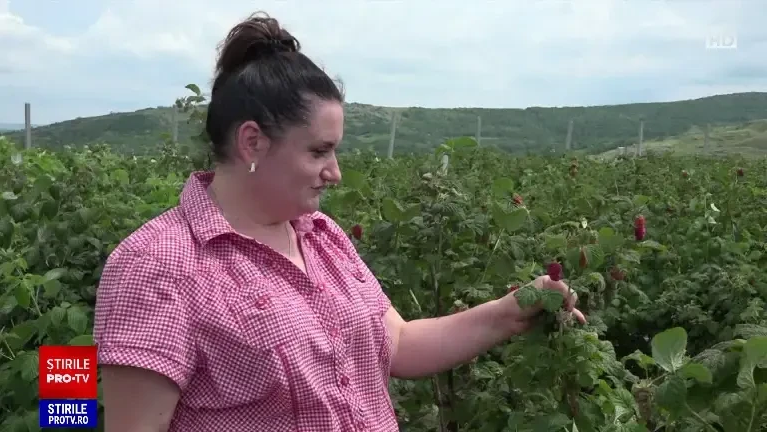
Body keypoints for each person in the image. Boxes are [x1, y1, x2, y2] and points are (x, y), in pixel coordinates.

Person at [92, 11, 586, 432]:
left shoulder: (322, 239)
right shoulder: (156, 265)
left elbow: (397, 343)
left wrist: (508, 312)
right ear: (252, 143)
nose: (335, 172)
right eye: (318, 151)